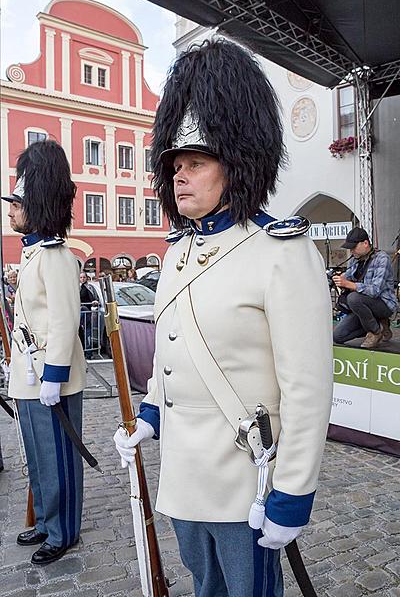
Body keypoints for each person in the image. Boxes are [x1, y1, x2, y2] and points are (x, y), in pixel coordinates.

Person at [113, 40, 332, 597]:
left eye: (196, 162)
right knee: (203, 585)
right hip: (184, 474)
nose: (180, 176)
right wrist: (150, 416)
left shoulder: (281, 251)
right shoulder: (177, 252)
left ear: (234, 165)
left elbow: (306, 385)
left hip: (244, 482)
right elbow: (172, 352)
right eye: (176, 165)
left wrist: (293, 491)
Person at [2, 140, 86, 565]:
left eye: (17, 203)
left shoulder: (55, 257)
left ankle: (63, 529)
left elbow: (64, 323)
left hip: (53, 380)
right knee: (38, 457)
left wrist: (54, 375)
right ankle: (47, 519)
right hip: (30, 378)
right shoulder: (33, 253)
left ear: (36, 206)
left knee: (59, 461)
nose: (11, 210)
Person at [333, 227, 397, 349]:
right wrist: (339, 279)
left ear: (365, 243)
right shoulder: (354, 260)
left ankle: (375, 332)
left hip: (384, 304)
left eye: (353, 247)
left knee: (353, 298)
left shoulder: (382, 258)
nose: (351, 251)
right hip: (363, 306)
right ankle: (380, 326)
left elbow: (375, 290)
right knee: (338, 336)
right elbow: (348, 276)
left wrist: (349, 284)